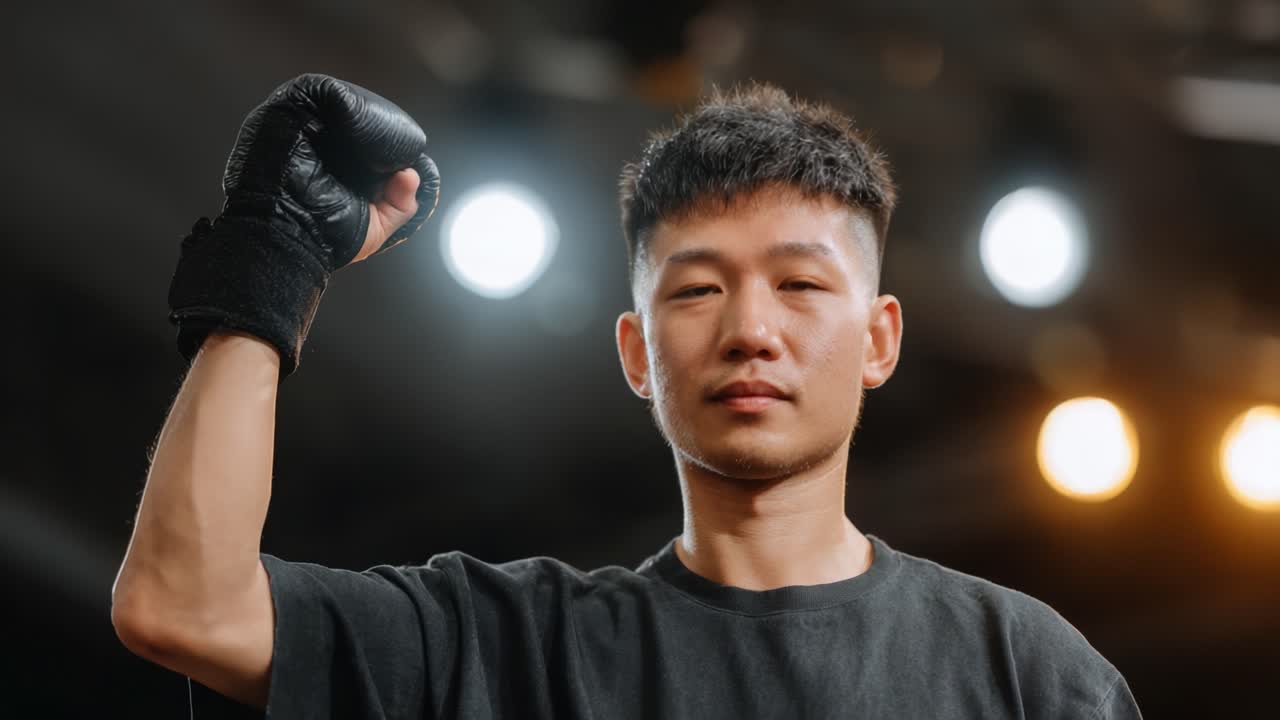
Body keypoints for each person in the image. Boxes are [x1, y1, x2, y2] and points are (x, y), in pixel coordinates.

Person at [111, 73, 1143, 719]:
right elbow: (182, 605)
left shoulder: (1028, 676)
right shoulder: (503, 649)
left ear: (877, 339)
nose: (749, 328)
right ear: (636, 352)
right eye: (695, 289)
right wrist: (274, 259)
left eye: (798, 283)